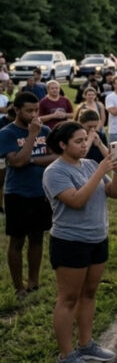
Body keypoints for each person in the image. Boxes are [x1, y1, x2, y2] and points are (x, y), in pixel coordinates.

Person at [43, 121, 117, 363]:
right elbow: (76, 201)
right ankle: (66, 356)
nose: (84, 145)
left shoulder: (89, 164)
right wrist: (100, 171)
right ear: (62, 144)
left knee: (89, 293)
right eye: (78, 141)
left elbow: (114, 193)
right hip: (70, 242)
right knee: (68, 298)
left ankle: (86, 344)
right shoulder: (55, 172)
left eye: (84, 140)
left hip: (98, 238)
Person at [1, 92, 58, 300]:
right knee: (17, 240)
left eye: (36, 110)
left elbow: (56, 156)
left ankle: (34, 281)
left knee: (37, 237)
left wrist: (31, 160)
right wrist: (32, 135)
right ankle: (19, 287)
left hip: (41, 192)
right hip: (18, 193)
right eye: (29, 111)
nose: (34, 115)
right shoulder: (7, 133)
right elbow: (16, 162)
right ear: (17, 110)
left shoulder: (46, 130)